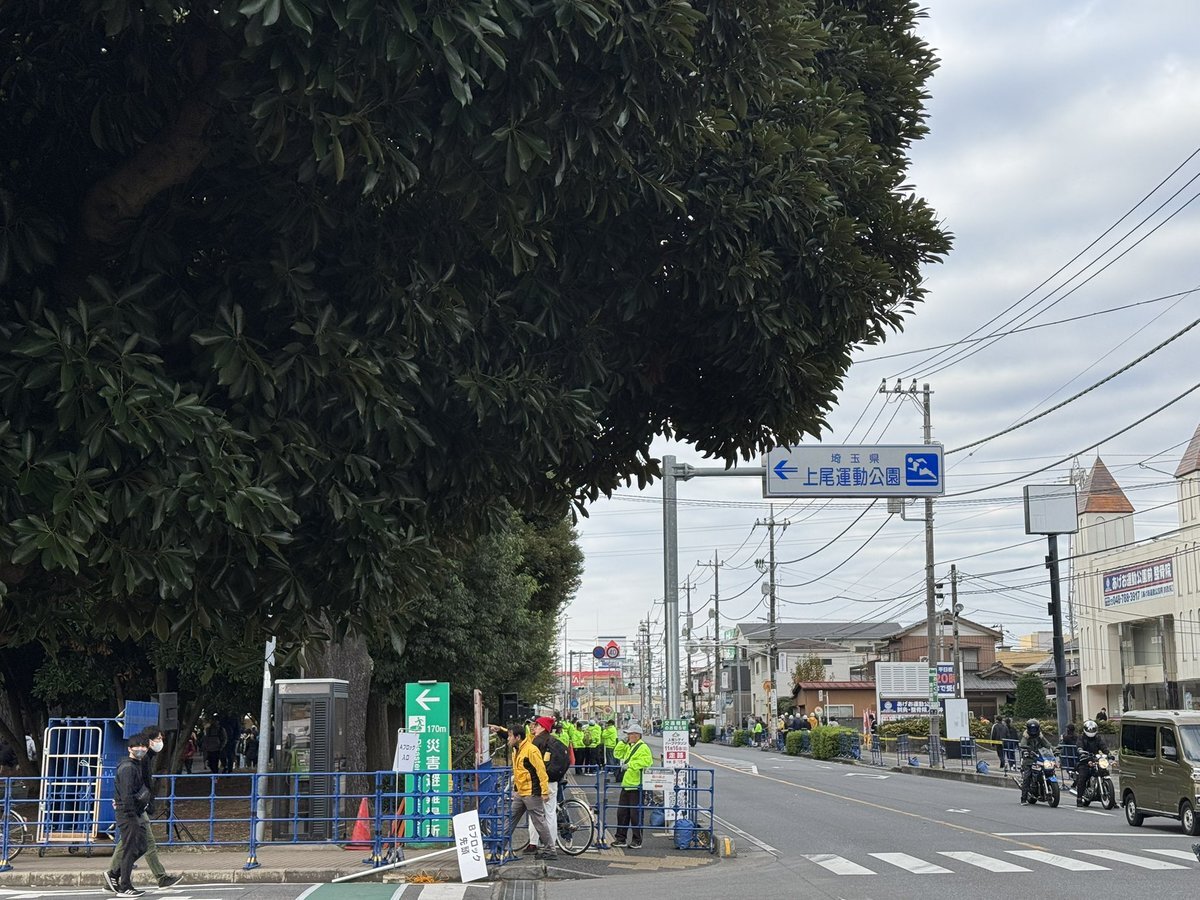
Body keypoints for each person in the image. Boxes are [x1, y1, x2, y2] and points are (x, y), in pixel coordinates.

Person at [104, 728, 183, 893]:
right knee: (142, 843)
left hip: (136, 807)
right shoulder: (136, 763)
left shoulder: (142, 760)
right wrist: (139, 805)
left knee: (132, 844)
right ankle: (155, 877)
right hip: (134, 809)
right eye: (158, 738)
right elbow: (135, 786)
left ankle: (113, 876)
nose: (161, 742)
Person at [499, 723, 556, 860]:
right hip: (520, 792)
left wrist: (544, 792)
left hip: (531, 792)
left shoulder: (531, 750)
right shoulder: (516, 749)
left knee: (539, 822)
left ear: (518, 737)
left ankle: (550, 850)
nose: (508, 739)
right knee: (511, 817)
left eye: (510, 736)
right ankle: (500, 846)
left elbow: (541, 771)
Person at [109, 731, 152, 896]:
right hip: (129, 813)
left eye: (144, 746)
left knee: (142, 846)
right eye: (137, 746)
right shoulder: (128, 767)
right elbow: (126, 794)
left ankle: (115, 873)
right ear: (130, 748)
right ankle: (124, 886)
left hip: (135, 812)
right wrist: (131, 812)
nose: (141, 749)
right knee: (130, 848)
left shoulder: (135, 765)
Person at [526, 716, 569, 855]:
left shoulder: (537, 741)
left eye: (537, 725)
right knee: (550, 814)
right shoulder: (555, 741)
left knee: (535, 813)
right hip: (553, 781)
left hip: (539, 782)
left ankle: (533, 843)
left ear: (543, 727)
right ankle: (552, 844)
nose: (534, 727)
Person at [611, 723, 653, 850]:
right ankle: (620, 838)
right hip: (627, 784)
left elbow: (647, 761)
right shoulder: (630, 746)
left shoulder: (643, 747)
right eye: (628, 734)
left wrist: (630, 765)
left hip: (636, 785)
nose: (628, 736)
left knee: (635, 814)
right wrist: (622, 742)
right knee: (622, 813)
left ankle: (637, 840)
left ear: (637, 735)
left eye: (630, 734)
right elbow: (617, 754)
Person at [1073, 719, 1108, 807]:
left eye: (1093, 730)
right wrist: (1081, 751)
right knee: (1083, 776)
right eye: (1089, 729)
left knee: (1104, 772)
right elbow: (1079, 745)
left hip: (1095, 759)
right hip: (1084, 760)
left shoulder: (1098, 738)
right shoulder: (1081, 738)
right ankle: (1079, 798)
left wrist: (1108, 753)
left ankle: (1111, 799)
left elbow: (1103, 746)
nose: (1091, 731)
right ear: (1085, 730)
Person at [1018, 718, 1053, 805]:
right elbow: (1023, 745)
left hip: (1039, 758)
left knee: (1048, 770)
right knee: (1027, 776)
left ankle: (1045, 789)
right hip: (1028, 759)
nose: (1033, 731)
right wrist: (1026, 750)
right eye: (1031, 729)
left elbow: (1047, 745)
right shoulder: (1025, 736)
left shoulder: (1040, 737)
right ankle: (1023, 798)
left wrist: (1054, 749)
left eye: (1035, 729)